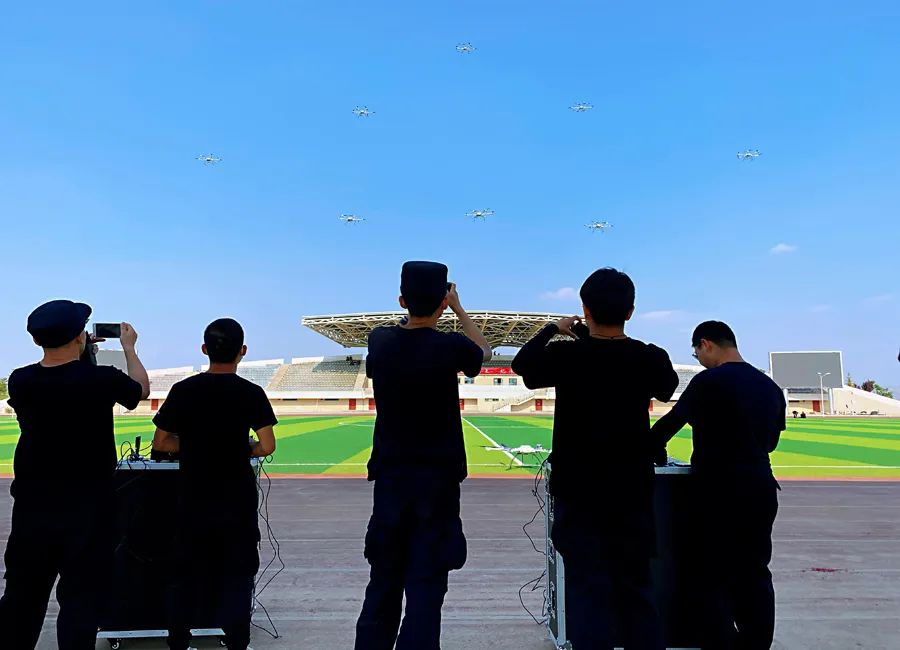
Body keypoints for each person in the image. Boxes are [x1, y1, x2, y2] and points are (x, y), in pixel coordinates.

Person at [512, 268, 679, 650]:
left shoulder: (567, 355)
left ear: (585, 310)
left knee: (588, 595)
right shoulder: (649, 356)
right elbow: (667, 387)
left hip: (579, 493)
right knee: (636, 592)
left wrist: (554, 329)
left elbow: (524, 366)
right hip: (631, 493)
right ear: (631, 311)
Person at [354, 261, 492, 650]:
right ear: (443, 302)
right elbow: (484, 352)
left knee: (383, 583)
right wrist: (459, 309)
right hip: (438, 484)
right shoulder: (451, 346)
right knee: (427, 589)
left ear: (402, 300)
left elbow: (399, 333)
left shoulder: (380, 340)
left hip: (391, 482)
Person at [0, 300, 149, 649]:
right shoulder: (102, 379)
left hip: (33, 511)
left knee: (22, 599)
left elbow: (63, 380)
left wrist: (81, 353)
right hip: (89, 513)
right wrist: (129, 348)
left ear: (36, 340)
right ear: (81, 336)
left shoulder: (21, 381)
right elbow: (139, 391)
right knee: (81, 601)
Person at [651, 321, 785, 649]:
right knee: (754, 572)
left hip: (716, 491)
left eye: (696, 352)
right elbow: (770, 443)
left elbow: (666, 427)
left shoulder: (708, 381)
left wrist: (655, 451)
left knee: (710, 575)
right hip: (760, 489)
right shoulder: (769, 387)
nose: (698, 359)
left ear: (706, 344)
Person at [152, 318, 277, 650]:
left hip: (193, 501)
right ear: (243, 351)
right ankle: (237, 643)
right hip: (237, 503)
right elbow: (266, 446)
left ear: (204, 349)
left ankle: (178, 642)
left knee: (184, 577)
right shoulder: (251, 393)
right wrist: (237, 447)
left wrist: (196, 445)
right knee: (237, 577)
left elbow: (161, 442)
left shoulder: (183, 390)